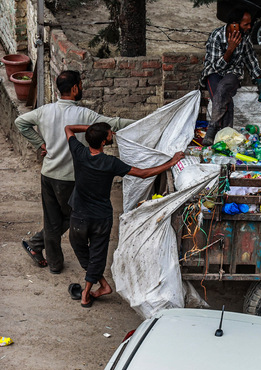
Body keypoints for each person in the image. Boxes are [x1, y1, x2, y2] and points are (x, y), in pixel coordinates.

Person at [16, 70, 135, 274]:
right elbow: (113, 124)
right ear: (74, 88)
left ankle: (49, 258)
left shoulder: (44, 111)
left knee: (53, 219)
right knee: (71, 218)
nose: (81, 88)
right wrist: (148, 122)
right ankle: (38, 246)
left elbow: (21, 123)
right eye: (80, 85)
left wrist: (40, 144)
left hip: (48, 175)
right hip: (70, 179)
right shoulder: (84, 115)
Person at [65, 123, 184, 307]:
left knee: (82, 250)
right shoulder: (111, 163)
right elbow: (144, 174)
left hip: (79, 214)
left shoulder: (79, 153)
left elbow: (68, 129)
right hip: (100, 218)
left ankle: (87, 292)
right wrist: (171, 162)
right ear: (104, 141)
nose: (113, 133)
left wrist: (91, 130)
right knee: (96, 254)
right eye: (109, 133)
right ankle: (100, 286)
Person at [199, 7, 261, 146]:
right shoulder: (217, 36)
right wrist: (230, 49)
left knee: (223, 88)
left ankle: (212, 129)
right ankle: (226, 136)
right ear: (234, 25)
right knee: (225, 99)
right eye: (246, 24)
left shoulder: (245, 38)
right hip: (213, 72)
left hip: (233, 73)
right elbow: (217, 67)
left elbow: (250, 59)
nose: (249, 27)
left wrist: (259, 79)